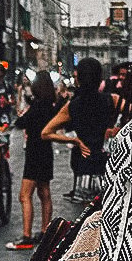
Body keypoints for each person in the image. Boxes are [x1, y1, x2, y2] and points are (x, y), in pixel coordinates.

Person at [43, 57, 120, 202]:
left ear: (79, 79)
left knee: (88, 221)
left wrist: (75, 140)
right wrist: (117, 130)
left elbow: (46, 133)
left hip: (85, 168)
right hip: (110, 168)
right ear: (100, 78)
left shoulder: (72, 106)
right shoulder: (113, 100)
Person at [6, 70, 58, 251]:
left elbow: (20, 123)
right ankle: (46, 232)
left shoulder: (37, 106)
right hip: (46, 151)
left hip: (34, 151)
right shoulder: (50, 106)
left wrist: (23, 113)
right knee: (44, 192)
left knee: (24, 195)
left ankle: (26, 236)